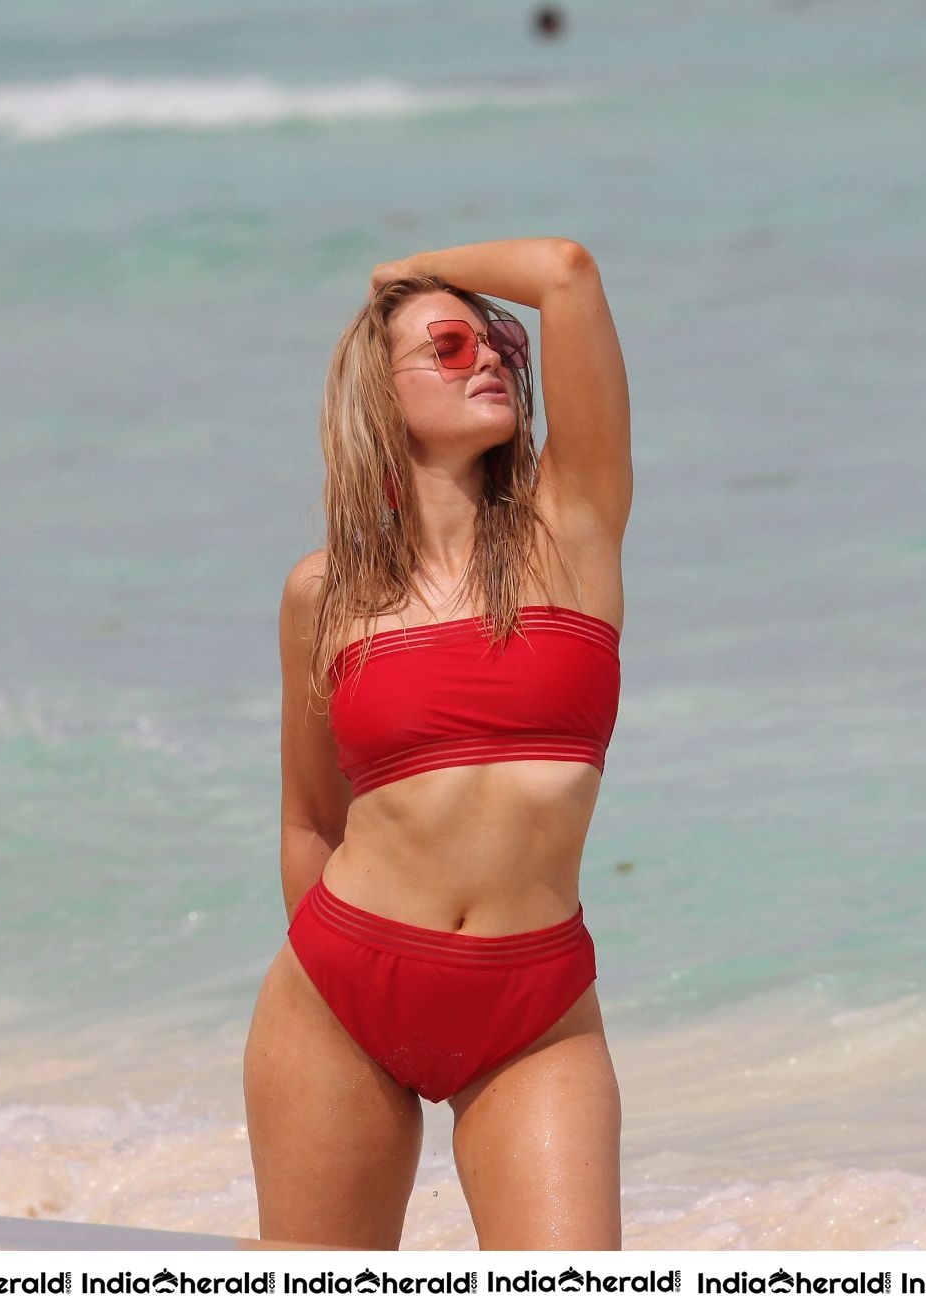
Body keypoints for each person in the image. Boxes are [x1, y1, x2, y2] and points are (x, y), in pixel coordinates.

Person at [243, 238, 632, 1250]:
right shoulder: (323, 596)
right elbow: (309, 816)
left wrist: (401, 271)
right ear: (380, 395)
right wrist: (345, 979)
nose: (491, 358)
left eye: (498, 340)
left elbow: (566, 272)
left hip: (533, 1001)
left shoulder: (573, 530)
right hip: (342, 992)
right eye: (449, 345)